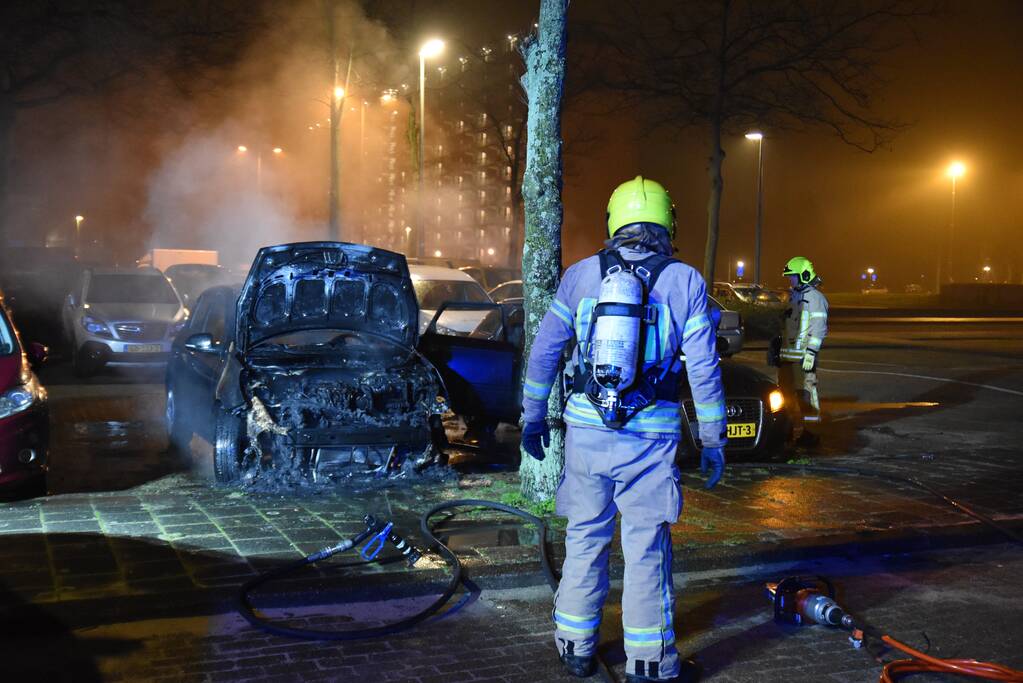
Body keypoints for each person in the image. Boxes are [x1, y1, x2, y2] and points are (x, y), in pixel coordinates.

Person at [520, 176, 726, 682]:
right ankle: (649, 662)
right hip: (649, 442)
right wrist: (713, 440)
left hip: (587, 435)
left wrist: (530, 416)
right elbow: (703, 369)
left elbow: (545, 350)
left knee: (585, 538)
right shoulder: (686, 281)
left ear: (613, 222)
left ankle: (574, 645)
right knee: (645, 548)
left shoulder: (581, 276)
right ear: (668, 223)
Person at [777, 256, 829, 444]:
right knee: (785, 395)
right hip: (787, 358)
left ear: (804, 275)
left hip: (804, 357)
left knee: (806, 394)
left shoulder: (816, 298)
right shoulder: (794, 296)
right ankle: (790, 427)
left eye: (792, 276)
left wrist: (812, 352)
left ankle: (812, 432)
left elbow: (819, 328)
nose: (790, 280)